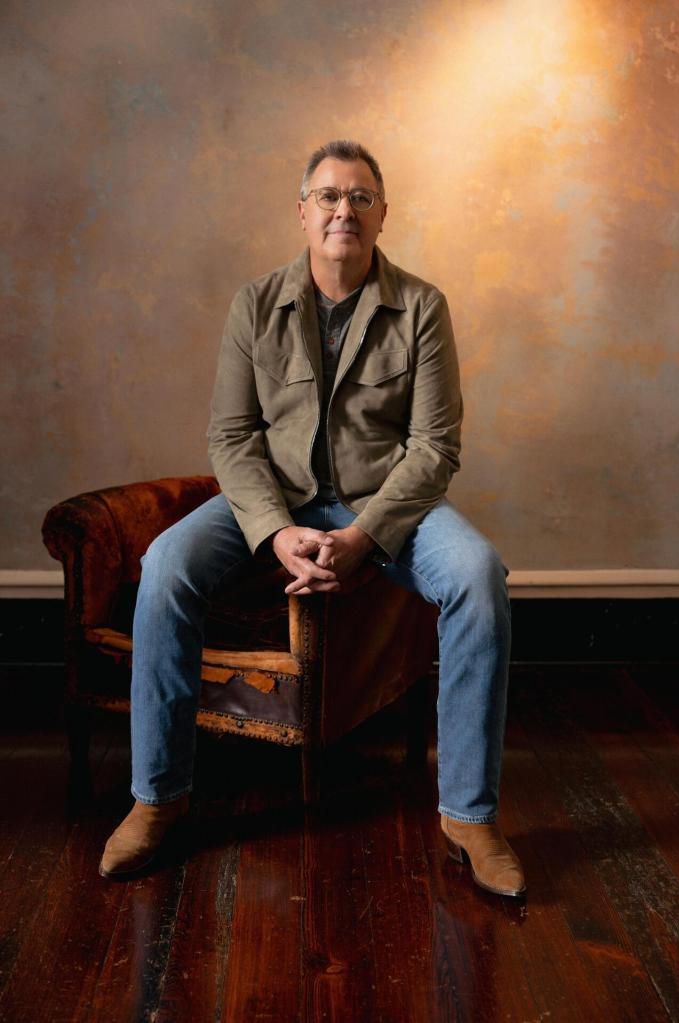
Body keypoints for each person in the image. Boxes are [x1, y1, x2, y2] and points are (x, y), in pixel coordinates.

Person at [100, 139, 526, 898]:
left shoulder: (422, 306)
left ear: (383, 215)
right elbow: (232, 436)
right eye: (328, 196)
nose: (343, 210)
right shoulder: (255, 303)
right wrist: (274, 531)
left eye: (361, 197)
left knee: (478, 575)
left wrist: (365, 537)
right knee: (165, 564)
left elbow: (435, 446)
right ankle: (157, 798)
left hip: (383, 503)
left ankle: (470, 815)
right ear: (303, 211)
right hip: (272, 501)